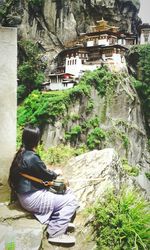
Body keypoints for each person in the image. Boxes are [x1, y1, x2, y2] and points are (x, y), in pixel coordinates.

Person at [8, 125, 78, 244]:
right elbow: (46, 175)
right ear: (36, 140)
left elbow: (39, 172)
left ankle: (57, 222)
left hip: (25, 196)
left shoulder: (21, 153)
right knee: (71, 200)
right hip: (32, 198)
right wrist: (56, 173)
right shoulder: (31, 157)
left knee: (67, 192)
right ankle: (56, 233)